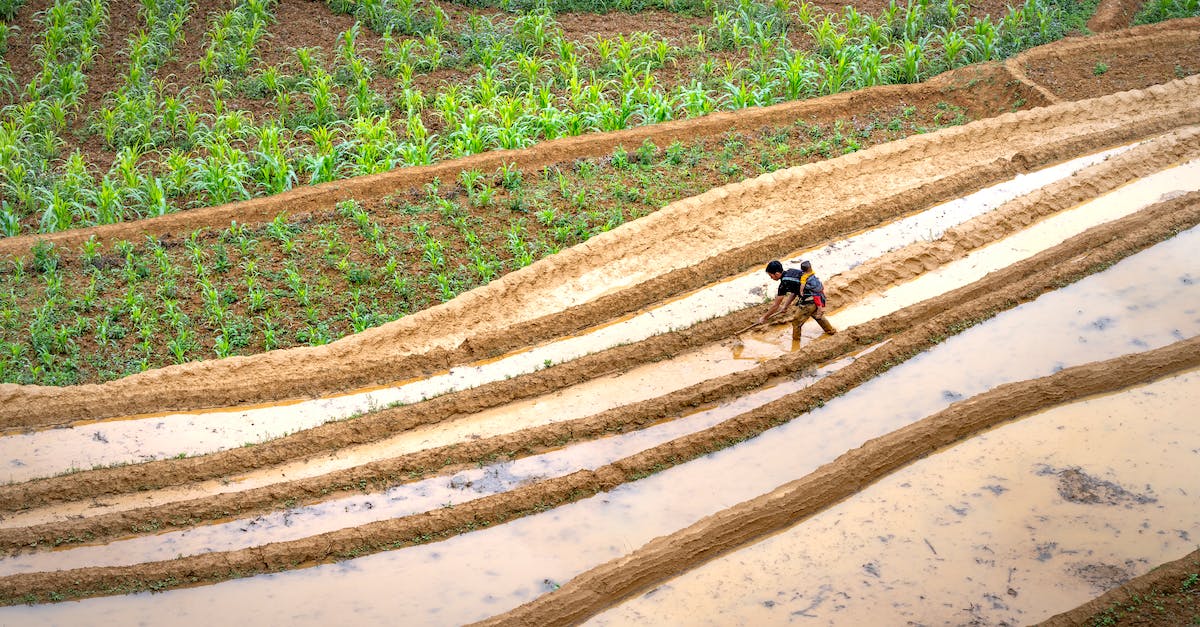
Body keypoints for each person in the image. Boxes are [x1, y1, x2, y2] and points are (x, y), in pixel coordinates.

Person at [758, 259, 837, 340]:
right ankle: (831, 332)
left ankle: (796, 343)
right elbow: (795, 292)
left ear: (777, 274)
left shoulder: (784, 283)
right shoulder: (791, 271)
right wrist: (785, 306)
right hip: (817, 296)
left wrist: (764, 317)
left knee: (796, 322)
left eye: (771, 276)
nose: (771, 278)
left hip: (809, 300)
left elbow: (775, 305)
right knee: (816, 315)